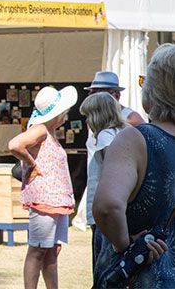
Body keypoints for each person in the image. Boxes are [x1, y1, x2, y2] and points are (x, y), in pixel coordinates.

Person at [92, 44, 175, 288]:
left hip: (144, 278)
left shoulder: (138, 139)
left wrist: (125, 246)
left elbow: (107, 206)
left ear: (155, 89)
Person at [8, 85, 77, 289]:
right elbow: (15, 145)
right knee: (38, 249)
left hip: (56, 200)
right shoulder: (39, 129)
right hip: (44, 199)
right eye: (62, 112)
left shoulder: (49, 132)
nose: (65, 116)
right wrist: (32, 164)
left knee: (52, 250)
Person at [78, 92, 127, 268]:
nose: (87, 122)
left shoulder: (105, 135)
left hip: (104, 210)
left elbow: (113, 168)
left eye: (88, 117)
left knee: (102, 266)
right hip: (115, 209)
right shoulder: (121, 132)